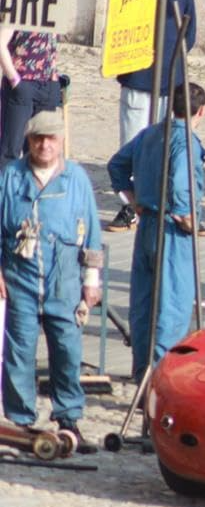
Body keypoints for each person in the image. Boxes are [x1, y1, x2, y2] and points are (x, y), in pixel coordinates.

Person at [0, 109, 102, 453]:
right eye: (38, 138)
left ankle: (69, 420)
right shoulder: (10, 178)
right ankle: (20, 424)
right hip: (21, 283)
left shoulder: (76, 180)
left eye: (51, 139)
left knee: (67, 352)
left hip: (65, 285)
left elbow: (93, 237)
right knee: (19, 353)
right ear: (28, 140)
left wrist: (92, 281)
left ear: (61, 141)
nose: (44, 145)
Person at [107, 82, 205, 380]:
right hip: (171, 231)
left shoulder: (149, 134)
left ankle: (141, 370)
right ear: (201, 111)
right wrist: (185, 215)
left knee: (143, 302)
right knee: (171, 306)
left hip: (147, 225)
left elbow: (116, 166)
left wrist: (133, 198)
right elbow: (179, 182)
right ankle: (159, 377)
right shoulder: (186, 142)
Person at [107, 0, 198, 233]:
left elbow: (189, 34)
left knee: (170, 145)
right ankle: (130, 206)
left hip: (170, 78)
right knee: (132, 145)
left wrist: (170, 59)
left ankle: (170, 206)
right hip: (137, 76)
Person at [0, 28, 61, 168]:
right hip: (22, 83)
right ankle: (7, 188)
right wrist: (15, 80)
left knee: (41, 149)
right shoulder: (19, 8)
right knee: (11, 149)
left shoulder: (54, 10)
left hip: (48, 84)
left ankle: (34, 188)